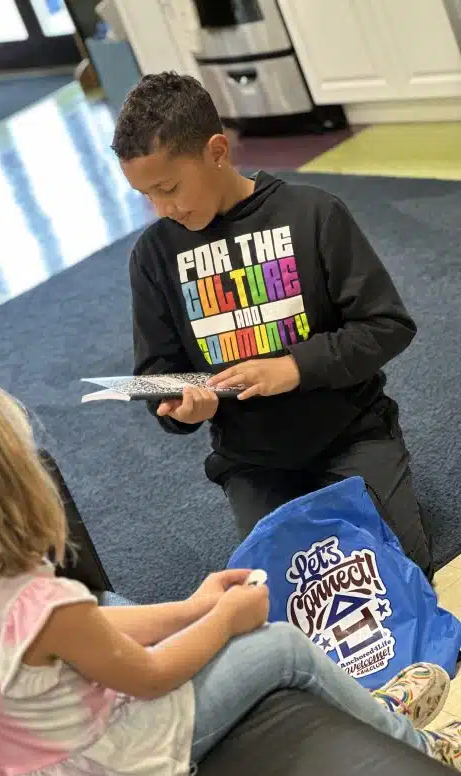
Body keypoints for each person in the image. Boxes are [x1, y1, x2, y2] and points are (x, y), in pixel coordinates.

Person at [0, 370, 461, 776]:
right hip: (97, 774)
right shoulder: (44, 606)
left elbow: (82, 626)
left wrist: (192, 607)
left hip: (15, 773)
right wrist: (224, 620)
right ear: (9, 482)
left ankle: (367, 710)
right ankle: (415, 743)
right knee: (282, 647)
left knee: (119, 606)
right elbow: (148, 676)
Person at [112, 72, 433, 581]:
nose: (162, 209)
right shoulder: (153, 255)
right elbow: (156, 371)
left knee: (399, 571)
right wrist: (183, 410)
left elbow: (387, 324)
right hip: (251, 458)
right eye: (145, 195)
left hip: (349, 430)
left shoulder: (314, 213)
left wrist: (293, 368)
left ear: (217, 151)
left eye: (169, 188)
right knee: (283, 588)